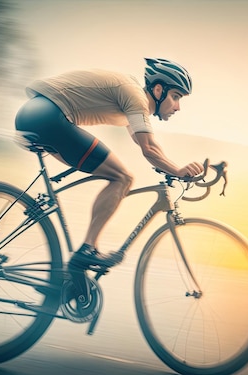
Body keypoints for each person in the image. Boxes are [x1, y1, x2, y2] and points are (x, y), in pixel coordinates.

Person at [14, 57, 204, 274]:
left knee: (117, 175)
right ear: (159, 90)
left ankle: (68, 279)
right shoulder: (135, 96)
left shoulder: (131, 104)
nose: (178, 107)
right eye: (176, 97)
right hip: (49, 117)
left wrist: (173, 168)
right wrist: (178, 170)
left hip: (33, 114)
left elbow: (148, 146)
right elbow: (149, 149)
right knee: (122, 178)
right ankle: (87, 249)